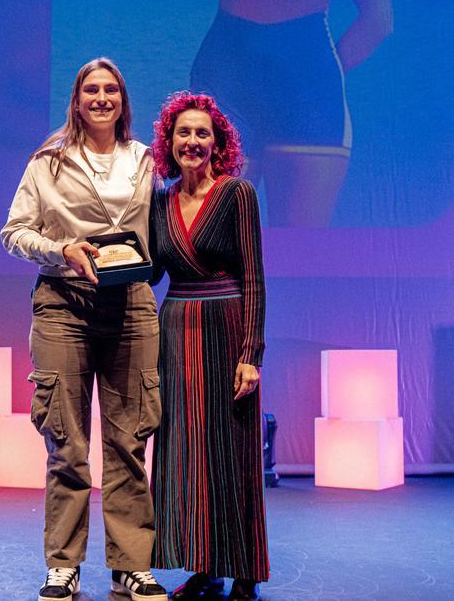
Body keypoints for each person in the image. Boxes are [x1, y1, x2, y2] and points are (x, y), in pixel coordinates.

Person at [1, 57, 169, 601]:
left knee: (128, 443)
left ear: (123, 100)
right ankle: (63, 566)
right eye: (91, 90)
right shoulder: (49, 163)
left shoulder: (146, 161)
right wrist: (60, 250)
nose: (101, 98)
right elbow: (14, 232)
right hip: (63, 307)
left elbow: (166, 228)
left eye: (111, 89)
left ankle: (131, 567)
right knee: (67, 446)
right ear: (76, 101)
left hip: (131, 308)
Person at [138, 0, 392, 227]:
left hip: (307, 97)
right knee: (210, 236)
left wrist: (316, 77)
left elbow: (378, 20)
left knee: (300, 244)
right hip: (228, 87)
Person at [148, 92, 268, 600]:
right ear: (169, 143)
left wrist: (251, 354)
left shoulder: (237, 194)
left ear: (217, 143)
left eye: (203, 134)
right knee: (184, 452)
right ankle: (203, 565)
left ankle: (243, 570)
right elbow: (150, 272)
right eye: (184, 133)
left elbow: (255, 278)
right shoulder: (160, 202)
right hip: (175, 331)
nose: (192, 141)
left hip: (226, 327)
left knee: (231, 453)